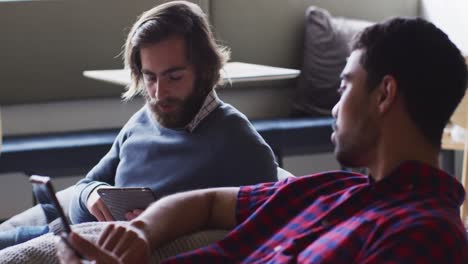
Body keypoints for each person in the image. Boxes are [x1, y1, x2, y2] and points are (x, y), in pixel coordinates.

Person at [58, 17, 468, 263]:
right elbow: (210, 202)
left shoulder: (423, 236)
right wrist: (142, 232)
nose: (335, 106)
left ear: (384, 94)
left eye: (345, 87)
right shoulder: (331, 190)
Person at [0, 0, 277, 250]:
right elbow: (85, 186)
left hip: (97, 249)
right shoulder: (142, 121)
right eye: (150, 77)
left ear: (204, 71)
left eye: (174, 77)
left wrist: (159, 223)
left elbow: (264, 236)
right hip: (64, 234)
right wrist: (92, 195)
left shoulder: (239, 143)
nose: (158, 93)